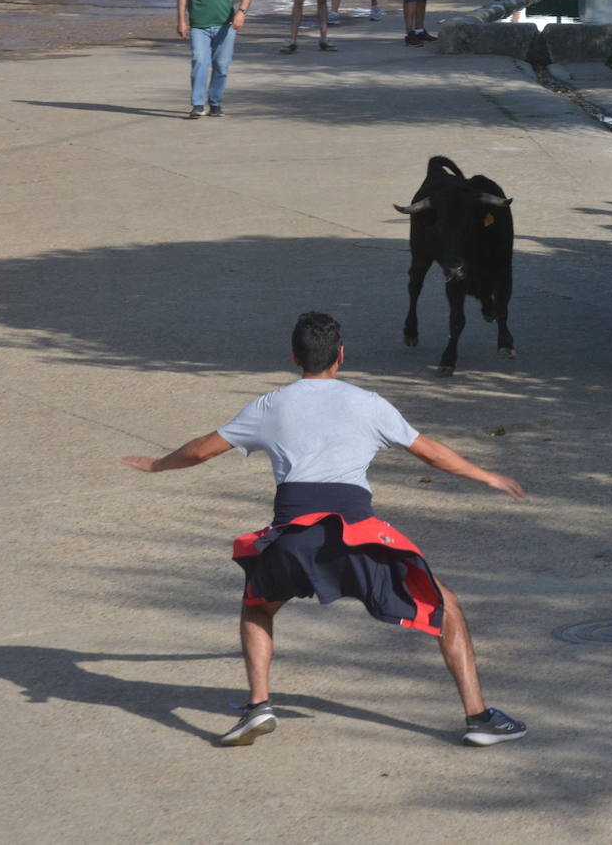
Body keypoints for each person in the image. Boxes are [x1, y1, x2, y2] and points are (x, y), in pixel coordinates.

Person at [120, 312, 529, 748]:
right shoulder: (369, 403)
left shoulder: (269, 405)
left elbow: (201, 451)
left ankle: (259, 706)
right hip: (359, 537)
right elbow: (429, 453)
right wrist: (485, 475)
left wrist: (156, 464)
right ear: (341, 356)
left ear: (295, 357)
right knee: (446, 609)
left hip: (293, 537)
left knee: (258, 605)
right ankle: (479, 718)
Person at [176, 0, 252, 119]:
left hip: (225, 27)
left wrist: (241, 13)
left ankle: (216, 104)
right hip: (198, 26)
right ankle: (198, 104)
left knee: (221, 66)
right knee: (200, 61)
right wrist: (181, 21)